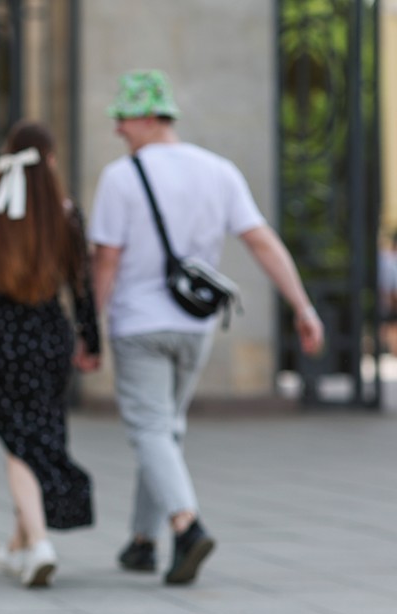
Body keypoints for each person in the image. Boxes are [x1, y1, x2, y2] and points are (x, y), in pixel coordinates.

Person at [89, 69, 325, 585]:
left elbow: (106, 260)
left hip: (139, 324)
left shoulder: (120, 178)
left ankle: (186, 526)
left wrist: (90, 328)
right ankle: (142, 542)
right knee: (165, 430)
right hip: (195, 324)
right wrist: (302, 306)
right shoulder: (218, 171)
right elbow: (261, 240)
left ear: (151, 117)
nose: (118, 130)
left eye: (124, 119)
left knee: (151, 429)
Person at [0, 121, 101, 588]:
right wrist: (91, 341)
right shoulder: (67, 215)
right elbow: (83, 286)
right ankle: (20, 544)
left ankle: (40, 544)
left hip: (3, 342)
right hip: (52, 338)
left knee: (19, 445)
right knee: (40, 436)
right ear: (49, 162)